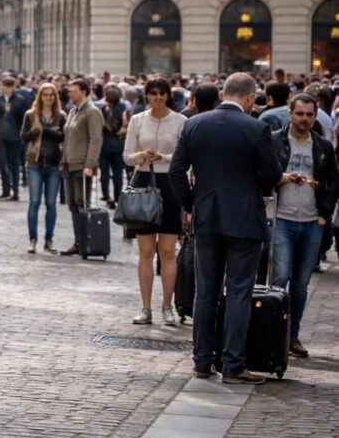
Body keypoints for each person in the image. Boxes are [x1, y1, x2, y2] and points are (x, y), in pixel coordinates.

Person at [169, 72, 286, 384]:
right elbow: (272, 173)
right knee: (238, 293)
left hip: (206, 216)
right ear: (249, 98)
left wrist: (192, 204)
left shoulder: (194, 124)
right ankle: (233, 365)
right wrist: (254, 186)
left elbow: (176, 170)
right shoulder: (256, 127)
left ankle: (202, 362)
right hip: (245, 219)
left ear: (223, 94)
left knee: (205, 292)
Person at [270, 93, 338, 359]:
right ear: (290, 113)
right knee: (279, 279)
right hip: (283, 220)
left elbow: (333, 182)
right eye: (300, 114)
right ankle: (273, 334)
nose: (305, 119)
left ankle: (292, 335)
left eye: (309, 114)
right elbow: (262, 175)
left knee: (300, 285)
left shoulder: (322, 146)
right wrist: (283, 178)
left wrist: (324, 214)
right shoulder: (275, 141)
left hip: (312, 222)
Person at [124, 77, 188, 326]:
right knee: (146, 251)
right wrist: (140, 155)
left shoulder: (181, 121)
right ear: (146, 96)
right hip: (143, 184)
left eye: (162, 93)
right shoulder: (137, 120)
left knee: (168, 251)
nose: (158, 97)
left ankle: (167, 307)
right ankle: (146, 307)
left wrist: (163, 157)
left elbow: (185, 158)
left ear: (168, 96)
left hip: (171, 185)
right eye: (153, 93)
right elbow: (127, 157)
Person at [59, 79, 104, 256]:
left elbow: (95, 140)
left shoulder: (92, 112)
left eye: (73, 91)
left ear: (84, 91)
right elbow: (68, 137)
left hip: (82, 165)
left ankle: (86, 241)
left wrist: (90, 164)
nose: (69, 94)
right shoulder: (72, 111)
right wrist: (63, 159)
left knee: (81, 204)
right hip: (69, 164)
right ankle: (78, 242)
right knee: (72, 205)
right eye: (68, 91)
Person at [21, 83, 65, 254]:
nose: (48, 97)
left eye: (51, 95)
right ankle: (32, 239)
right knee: (34, 202)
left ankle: (49, 240)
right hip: (34, 163)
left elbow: (64, 136)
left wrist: (48, 131)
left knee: (51, 204)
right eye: (45, 95)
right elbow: (23, 136)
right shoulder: (31, 115)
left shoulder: (61, 116)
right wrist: (37, 131)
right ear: (40, 97)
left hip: (53, 164)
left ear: (55, 97)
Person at [0, 77, 28, 201]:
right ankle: (6, 191)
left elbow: (24, 119)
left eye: (5, 87)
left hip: (15, 136)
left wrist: (21, 132)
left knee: (14, 164)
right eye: (2, 86)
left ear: (11, 87)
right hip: (1, 135)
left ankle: (15, 190)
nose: (3, 89)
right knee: (3, 162)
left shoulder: (20, 100)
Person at [98, 84, 130, 209]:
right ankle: (117, 197)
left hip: (104, 145)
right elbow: (125, 128)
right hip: (118, 145)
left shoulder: (101, 109)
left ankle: (107, 196)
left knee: (104, 173)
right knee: (118, 173)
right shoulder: (123, 109)